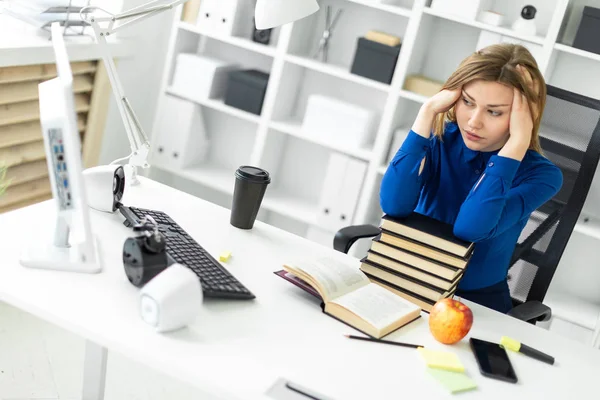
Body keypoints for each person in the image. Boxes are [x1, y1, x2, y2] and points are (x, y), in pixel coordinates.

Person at [380, 43, 563, 313]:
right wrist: (427, 112)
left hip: (474, 304)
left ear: (523, 116)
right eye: (467, 102)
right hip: (407, 277)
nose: (473, 122)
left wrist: (518, 143)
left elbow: (469, 230)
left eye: (494, 111)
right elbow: (393, 205)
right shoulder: (440, 138)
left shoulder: (543, 176)